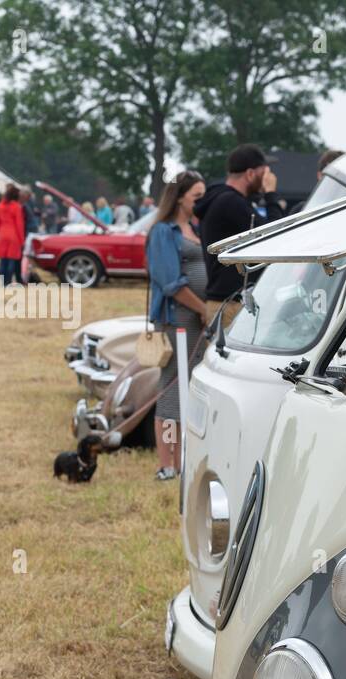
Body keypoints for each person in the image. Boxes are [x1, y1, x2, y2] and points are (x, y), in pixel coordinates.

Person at [146, 171, 208, 481]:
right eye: (196, 196)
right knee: (172, 390)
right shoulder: (162, 231)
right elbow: (170, 282)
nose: (201, 201)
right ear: (180, 196)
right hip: (177, 320)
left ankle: (184, 459)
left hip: (195, 321)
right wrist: (202, 308)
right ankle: (167, 464)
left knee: (190, 387)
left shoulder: (195, 227)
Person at [196, 144, 284, 324]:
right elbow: (275, 236)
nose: (268, 176)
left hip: (224, 301)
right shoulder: (231, 202)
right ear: (251, 174)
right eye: (264, 172)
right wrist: (271, 194)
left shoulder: (225, 200)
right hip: (231, 305)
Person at [0, 184, 25, 284]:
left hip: (2, 234)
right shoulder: (17, 207)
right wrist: (21, 240)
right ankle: (8, 282)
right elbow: (19, 225)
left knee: (3, 261)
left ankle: (1, 282)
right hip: (13, 235)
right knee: (11, 261)